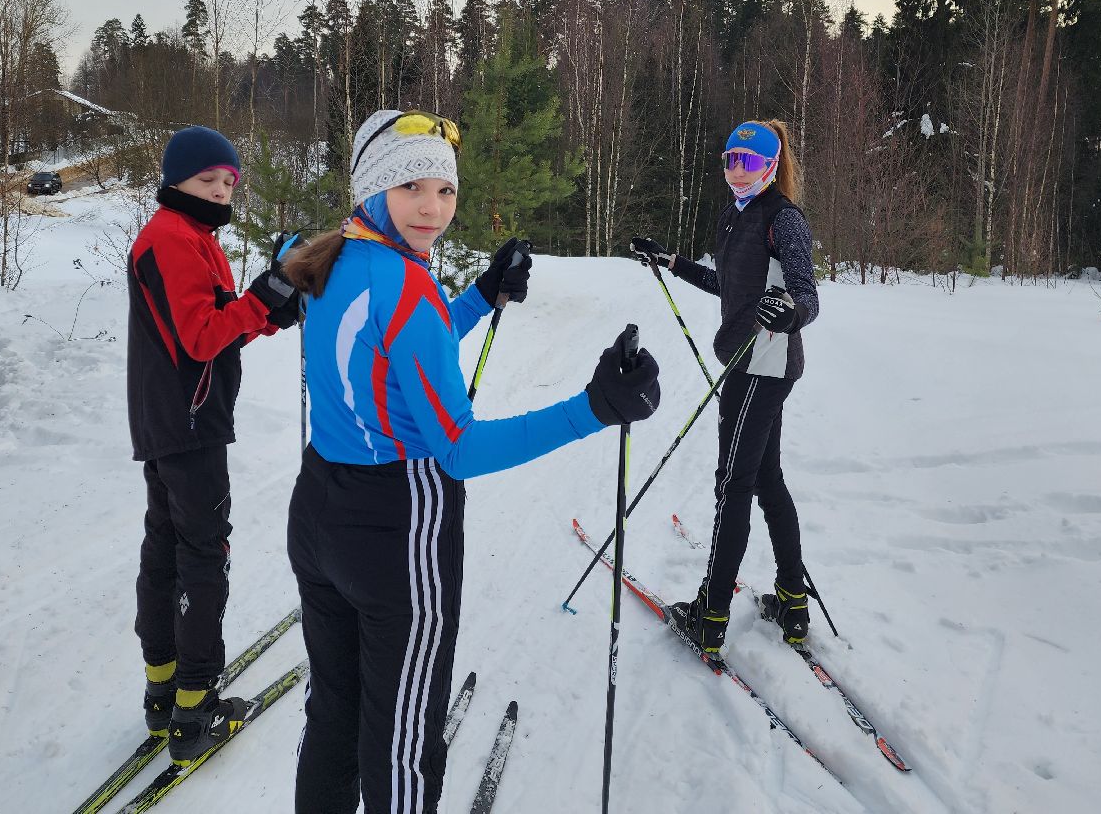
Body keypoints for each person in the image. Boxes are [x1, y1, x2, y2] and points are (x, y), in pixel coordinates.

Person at [283, 108, 662, 813]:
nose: (433, 208)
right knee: (399, 741)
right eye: (412, 189)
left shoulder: (332, 262)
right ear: (374, 189)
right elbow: (455, 448)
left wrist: (480, 297)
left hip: (319, 514)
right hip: (395, 529)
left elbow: (393, 356)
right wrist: (594, 408)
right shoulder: (406, 290)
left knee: (334, 711)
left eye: (446, 191)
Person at [127, 125, 302, 765]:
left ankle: (163, 692)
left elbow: (207, 330)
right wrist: (263, 297)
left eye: (229, 182)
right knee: (202, 554)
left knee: (168, 546)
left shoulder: (189, 238)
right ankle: (194, 712)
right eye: (208, 180)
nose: (221, 191)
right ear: (175, 180)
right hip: (188, 423)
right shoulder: (173, 238)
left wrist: (267, 310)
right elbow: (203, 336)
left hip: (172, 420)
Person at [630, 118, 819, 652]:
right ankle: (792, 600)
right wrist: (668, 260)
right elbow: (728, 286)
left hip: (763, 366)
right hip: (747, 361)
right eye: (732, 161)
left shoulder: (784, 220)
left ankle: (710, 617)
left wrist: (788, 313)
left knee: (733, 484)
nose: (740, 171)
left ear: (771, 166)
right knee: (765, 479)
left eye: (752, 163)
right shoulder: (736, 217)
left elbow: (808, 295)